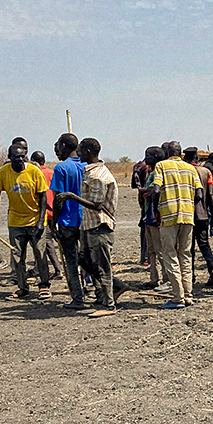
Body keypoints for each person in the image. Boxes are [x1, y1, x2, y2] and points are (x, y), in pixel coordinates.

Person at [55, 138, 128, 317]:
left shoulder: (97, 176)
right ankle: (112, 289)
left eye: (81, 150)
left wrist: (71, 196)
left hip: (99, 225)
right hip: (88, 225)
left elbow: (97, 205)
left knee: (101, 265)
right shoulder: (89, 171)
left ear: (88, 152)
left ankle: (109, 304)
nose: (78, 154)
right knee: (86, 261)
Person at [152, 141, 203, 309]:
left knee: (169, 254)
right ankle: (188, 295)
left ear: (167, 152)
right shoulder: (191, 168)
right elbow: (199, 194)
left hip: (169, 215)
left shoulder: (161, 166)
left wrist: (155, 209)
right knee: (186, 255)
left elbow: (157, 190)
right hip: (188, 217)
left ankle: (177, 296)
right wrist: (189, 204)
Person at [1, 144, 50, 300]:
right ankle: (22, 287)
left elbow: (43, 196)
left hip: (35, 220)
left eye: (23, 156)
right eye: (17, 157)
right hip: (15, 221)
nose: (21, 160)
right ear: (10, 158)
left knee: (39, 254)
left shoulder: (34, 171)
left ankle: (44, 286)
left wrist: (41, 220)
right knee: (17, 256)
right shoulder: (3, 172)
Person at [50, 133, 86, 308]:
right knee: (88, 259)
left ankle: (78, 298)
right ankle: (101, 293)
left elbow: (58, 199)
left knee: (71, 261)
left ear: (63, 146)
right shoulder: (87, 165)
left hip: (67, 221)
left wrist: (53, 221)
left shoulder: (61, 168)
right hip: (86, 221)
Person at [183, 147, 213, 286]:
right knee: (204, 244)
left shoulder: (184, 172)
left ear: (185, 158)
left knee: (189, 247)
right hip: (203, 215)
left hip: (187, 215)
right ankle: (212, 270)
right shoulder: (206, 172)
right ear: (197, 158)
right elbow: (210, 195)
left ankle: (190, 276)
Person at [137, 147, 170, 292]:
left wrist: (143, 192)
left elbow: (152, 191)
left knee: (160, 250)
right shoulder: (151, 172)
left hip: (155, 216)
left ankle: (167, 280)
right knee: (152, 251)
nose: (146, 159)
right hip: (148, 216)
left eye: (148, 156)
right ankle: (154, 279)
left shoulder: (159, 173)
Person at [30, 150, 63, 280]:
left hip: (43, 213)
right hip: (54, 211)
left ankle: (55, 269)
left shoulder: (35, 174)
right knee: (52, 240)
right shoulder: (51, 172)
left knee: (45, 243)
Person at [132, 159, 149, 265]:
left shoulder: (137, 166)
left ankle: (144, 256)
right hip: (150, 201)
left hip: (143, 200)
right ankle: (147, 257)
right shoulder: (148, 169)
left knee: (144, 229)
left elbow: (136, 186)